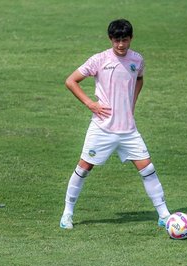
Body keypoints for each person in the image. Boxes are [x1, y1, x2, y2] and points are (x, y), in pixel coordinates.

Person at [60, 19, 170, 230]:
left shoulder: (137, 59)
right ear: (111, 39)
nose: (121, 44)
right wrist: (90, 104)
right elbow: (71, 81)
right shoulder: (99, 59)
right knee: (83, 169)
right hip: (102, 128)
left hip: (128, 129)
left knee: (148, 169)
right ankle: (67, 213)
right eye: (117, 40)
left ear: (131, 39)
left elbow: (139, 79)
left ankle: (164, 215)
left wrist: (132, 103)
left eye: (125, 40)